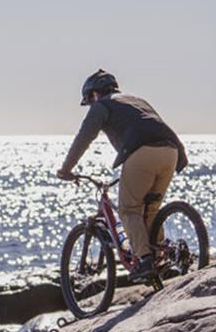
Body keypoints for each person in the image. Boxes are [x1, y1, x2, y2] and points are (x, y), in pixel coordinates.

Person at [57, 70, 188, 280]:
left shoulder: (102, 106)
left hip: (142, 153)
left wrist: (66, 169)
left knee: (129, 210)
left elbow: (84, 137)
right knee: (151, 210)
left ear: (94, 95)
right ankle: (162, 256)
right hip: (171, 152)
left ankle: (145, 260)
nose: (90, 105)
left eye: (89, 100)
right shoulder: (136, 100)